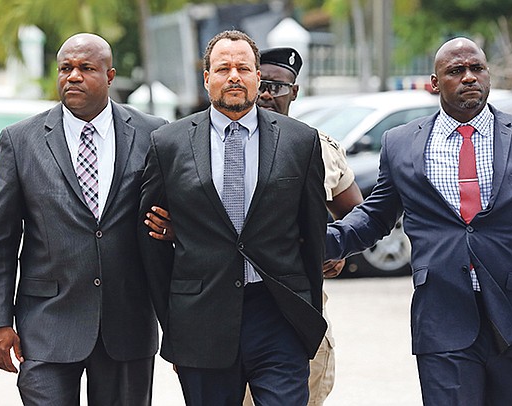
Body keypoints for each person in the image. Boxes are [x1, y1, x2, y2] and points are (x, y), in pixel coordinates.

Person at [325, 37, 512, 405]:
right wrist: (317, 241)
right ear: (435, 83)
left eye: (477, 68)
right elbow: (374, 216)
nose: (469, 77)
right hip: (442, 320)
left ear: (488, 76)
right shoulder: (400, 143)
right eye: (456, 71)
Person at [144, 47, 363, 405]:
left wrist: (305, 311)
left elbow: (311, 229)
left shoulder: (300, 141)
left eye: (243, 68)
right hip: (202, 318)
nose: (233, 76)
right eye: (223, 68)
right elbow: (151, 240)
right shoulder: (169, 143)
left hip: (278, 315)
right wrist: (175, 319)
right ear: (206, 78)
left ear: (256, 77)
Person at [0, 33, 165, 405]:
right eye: (66, 68)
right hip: (47, 322)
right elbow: (0, 239)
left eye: (86, 68)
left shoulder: (154, 134)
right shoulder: (20, 141)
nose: (73, 76)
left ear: (110, 76)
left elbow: (176, 210)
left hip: (127, 322)